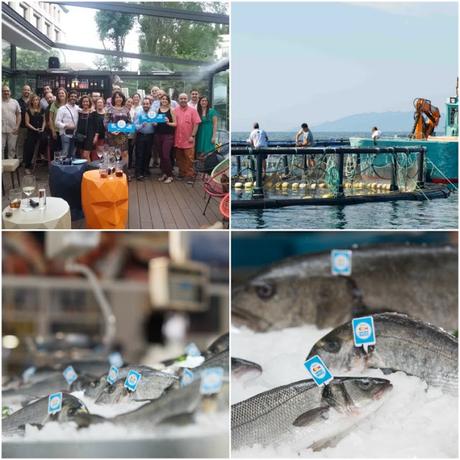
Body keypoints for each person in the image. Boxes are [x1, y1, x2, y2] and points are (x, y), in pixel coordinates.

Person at [173, 93, 201, 183]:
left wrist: (192, 136)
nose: (183, 100)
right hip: (178, 139)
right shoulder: (175, 110)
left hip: (189, 139)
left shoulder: (193, 111)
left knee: (189, 159)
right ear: (178, 100)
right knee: (179, 159)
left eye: (185, 98)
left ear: (187, 99)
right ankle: (182, 173)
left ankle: (190, 176)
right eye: (181, 98)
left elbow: (196, 124)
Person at [104, 90, 132, 175]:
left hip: (123, 135)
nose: (118, 99)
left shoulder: (126, 110)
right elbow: (105, 122)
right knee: (112, 153)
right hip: (111, 135)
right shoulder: (109, 109)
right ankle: (112, 172)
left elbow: (129, 122)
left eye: (120, 97)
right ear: (113, 99)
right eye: (116, 97)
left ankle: (124, 173)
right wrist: (112, 130)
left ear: (123, 99)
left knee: (124, 153)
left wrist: (126, 129)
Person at [155, 94, 177, 183]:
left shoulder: (171, 110)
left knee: (166, 155)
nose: (164, 100)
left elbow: (175, 124)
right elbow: (156, 123)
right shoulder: (158, 110)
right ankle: (164, 173)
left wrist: (168, 123)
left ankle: (170, 175)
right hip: (158, 134)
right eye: (162, 99)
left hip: (168, 135)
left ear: (168, 101)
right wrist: (154, 123)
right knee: (161, 156)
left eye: (165, 99)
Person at [133, 97, 155, 181]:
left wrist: (155, 124)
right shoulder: (139, 114)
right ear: (142, 105)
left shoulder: (153, 114)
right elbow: (135, 126)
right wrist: (141, 125)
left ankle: (146, 170)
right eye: (144, 104)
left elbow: (157, 125)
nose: (146, 105)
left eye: (147, 104)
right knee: (139, 154)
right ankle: (138, 172)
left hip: (150, 136)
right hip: (141, 135)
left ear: (150, 105)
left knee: (148, 154)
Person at [23, 94, 45, 173]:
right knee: (29, 148)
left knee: (45, 140)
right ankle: (27, 167)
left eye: (37, 100)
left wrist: (42, 128)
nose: (36, 101)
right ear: (31, 101)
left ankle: (42, 154)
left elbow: (44, 120)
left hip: (40, 131)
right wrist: (35, 129)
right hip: (32, 131)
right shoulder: (28, 111)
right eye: (34, 100)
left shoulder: (42, 110)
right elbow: (27, 123)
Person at [55, 90, 79, 159]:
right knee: (65, 153)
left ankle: (71, 169)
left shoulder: (78, 108)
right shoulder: (62, 108)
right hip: (65, 134)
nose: (73, 98)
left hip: (74, 134)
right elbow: (56, 122)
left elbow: (86, 111)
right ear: (68, 97)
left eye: (75, 96)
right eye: (71, 96)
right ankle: (63, 169)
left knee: (73, 154)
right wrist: (66, 126)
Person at [75, 95, 99, 161]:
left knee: (86, 155)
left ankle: (89, 170)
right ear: (81, 103)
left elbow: (97, 126)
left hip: (90, 136)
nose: (85, 103)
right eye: (84, 101)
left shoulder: (93, 112)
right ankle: (84, 170)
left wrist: (96, 136)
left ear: (89, 102)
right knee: (82, 155)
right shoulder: (79, 112)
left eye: (87, 101)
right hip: (80, 136)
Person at [2, 85, 21, 160]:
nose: (6, 92)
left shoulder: (15, 102)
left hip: (13, 129)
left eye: (7, 91)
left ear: (10, 92)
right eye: (4, 91)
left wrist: (17, 126)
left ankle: (11, 168)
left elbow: (19, 115)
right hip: (1, 130)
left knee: (12, 148)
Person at [48, 87, 67, 156]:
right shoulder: (54, 104)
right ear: (57, 95)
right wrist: (53, 131)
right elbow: (50, 118)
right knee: (56, 151)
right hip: (56, 131)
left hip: (66, 132)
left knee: (65, 150)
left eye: (62, 93)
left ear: (66, 94)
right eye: (59, 93)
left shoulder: (68, 104)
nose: (61, 94)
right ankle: (56, 166)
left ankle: (64, 166)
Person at [17, 84, 32, 163]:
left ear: (31, 91)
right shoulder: (17, 101)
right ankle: (19, 160)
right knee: (20, 144)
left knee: (29, 145)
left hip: (31, 128)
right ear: (22, 91)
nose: (26, 91)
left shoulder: (33, 101)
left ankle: (28, 161)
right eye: (25, 90)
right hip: (21, 127)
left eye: (28, 90)